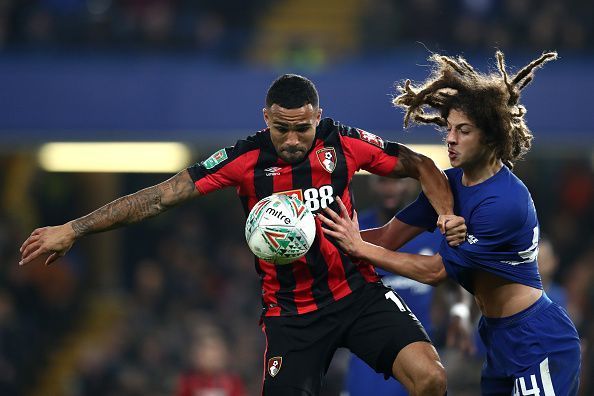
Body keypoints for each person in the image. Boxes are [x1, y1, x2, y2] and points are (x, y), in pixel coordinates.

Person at [19, 74, 467, 396]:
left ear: (319, 118)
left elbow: (420, 164)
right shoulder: (243, 159)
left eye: (302, 128)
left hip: (358, 292)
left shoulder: (343, 144)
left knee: (431, 378)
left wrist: (446, 213)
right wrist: (74, 228)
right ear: (265, 118)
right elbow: (160, 197)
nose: (292, 140)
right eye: (281, 128)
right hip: (293, 315)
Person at [319, 52, 582, 395]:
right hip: (498, 336)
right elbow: (387, 236)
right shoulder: (448, 185)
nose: (451, 139)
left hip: (536, 336)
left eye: (464, 131)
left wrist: (359, 248)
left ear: (490, 137)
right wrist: (319, 240)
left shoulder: (505, 201)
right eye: (449, 129)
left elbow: (435, 272)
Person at [345, 176, 442, 396]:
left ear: (411, 184)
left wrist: (459, 312)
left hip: (422, 352)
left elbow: (454, 281)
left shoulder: (434, 232)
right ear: (371, 184)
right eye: (382, 181)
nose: (390, 188)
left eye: (397, 181)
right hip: (369, 356)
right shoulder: (354, 232)